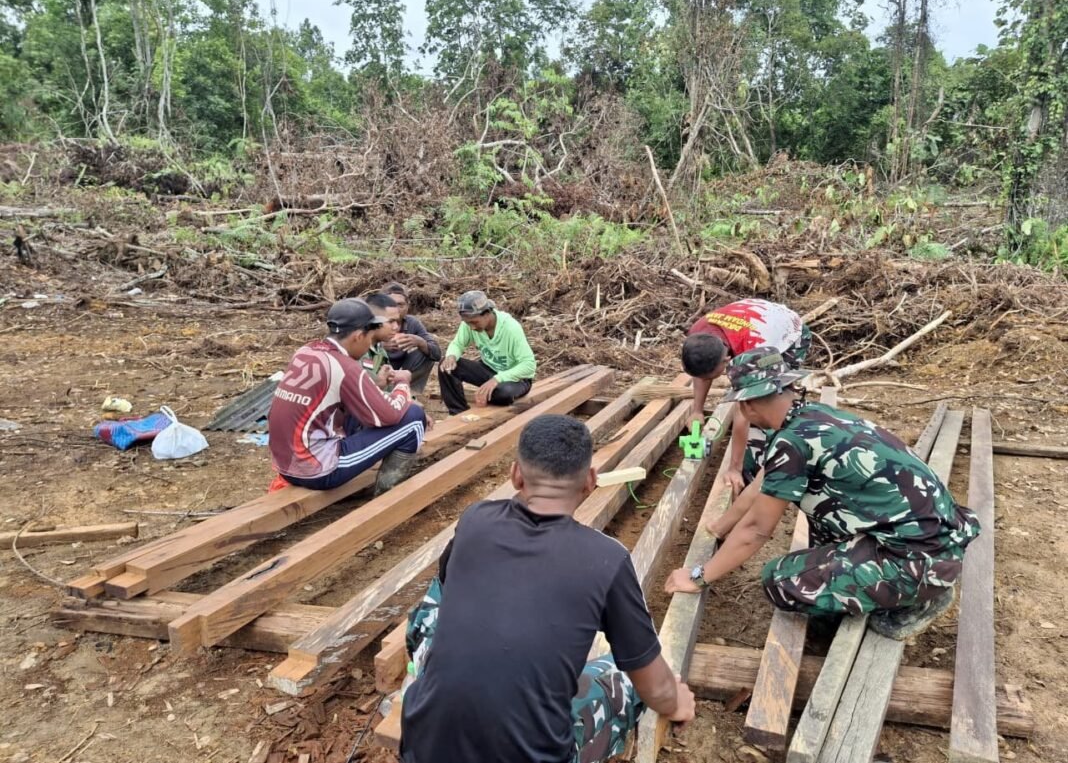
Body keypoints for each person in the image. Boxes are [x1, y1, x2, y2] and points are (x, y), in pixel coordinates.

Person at [400, 415, 696, 763]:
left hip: (424, 748)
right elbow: (655, 686)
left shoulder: (475, 520)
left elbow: (451, 589)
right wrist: (676, 701)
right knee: (623, 678)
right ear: (589, 481)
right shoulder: (606, 559)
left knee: (434, 603)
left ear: (515, 475)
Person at [664, 348, 981, 641]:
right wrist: (720, 526)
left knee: (781, 581)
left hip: (919, 555)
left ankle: (919, 597)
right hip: (926, 533)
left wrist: (698, 577)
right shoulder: (811, 416)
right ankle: (873, 586)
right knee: (819, 519)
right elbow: (762, 484)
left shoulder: (792, 444)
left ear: (746, 405)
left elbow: (757, 530)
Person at [268, 298, 430, 496]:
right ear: (358, 336)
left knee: (363, 409)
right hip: (316, 470)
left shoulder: (305, 351)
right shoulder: (345, 366)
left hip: (284, 463)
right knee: (413, 417)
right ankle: (389, 497)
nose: (369, 344)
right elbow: (390, 415)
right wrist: (403, 384)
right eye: (369, 338)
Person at [681, 299, 811, 497]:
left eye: (712, 376)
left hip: (790, 333)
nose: (707, 379)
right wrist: (697, 410)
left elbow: (744, 412)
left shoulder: (752, 350)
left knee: (768, 400)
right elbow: (700, 373)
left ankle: (779, 441)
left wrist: (734, 468)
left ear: (727, 360)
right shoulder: (698, 333)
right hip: (754, 321)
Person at [438, 290, 536, 415]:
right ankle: (457, 412)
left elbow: (529, 365)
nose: (471, 327)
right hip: (488, 369)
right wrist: (451, 356)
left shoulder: (511, 328)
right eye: (467, 323)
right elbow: (458, 344)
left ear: (487, 313)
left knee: (503, 394)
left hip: (516, 379)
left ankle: (492, 393)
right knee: (446, 367)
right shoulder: (469, 324)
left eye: (474, 322)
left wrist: (498, 379)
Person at [381, 282, 442, 395]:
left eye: (400, 305)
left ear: (407, 306)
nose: (397, 309)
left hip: (403, 369)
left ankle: (410, 391)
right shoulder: (374, 322)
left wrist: (419, 341)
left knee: (426, 351)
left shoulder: (412, 323)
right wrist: (380, 346)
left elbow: (437, 354)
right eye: (392, 304)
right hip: (377, 371)